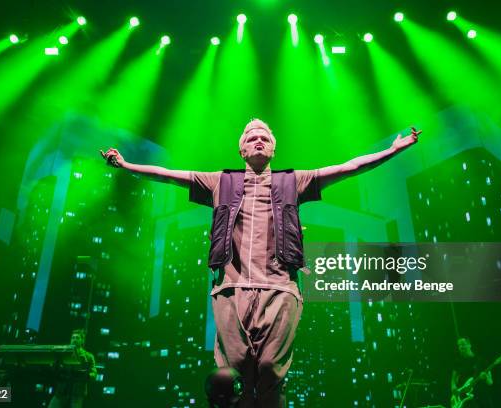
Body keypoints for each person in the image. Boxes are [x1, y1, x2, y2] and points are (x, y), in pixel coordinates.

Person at [101, 119, 420, 407]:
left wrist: (391, 150)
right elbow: (170, 176)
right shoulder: (220, 182)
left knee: (269, 370)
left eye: (264, 137)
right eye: (251, 137)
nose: (258, 140)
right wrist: (127, 165)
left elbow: (348, 168)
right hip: (231, 287)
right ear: (241, 149)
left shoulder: (294, 181)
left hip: (279, 287)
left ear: (273, 148)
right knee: (233, 372)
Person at [48, 329, 97, 408]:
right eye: (73, 338)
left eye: (77, 338)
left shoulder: (88, 356)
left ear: (82, 340)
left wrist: (86, 375)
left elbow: (94, 373)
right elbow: (56, 368)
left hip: (77, 392)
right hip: (62, 390)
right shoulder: (63, 352)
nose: (74, 340)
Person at [450, 338, 494, 408]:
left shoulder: (480, 360)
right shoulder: (457, 362)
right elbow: (453, 379)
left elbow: (490, 382)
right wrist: (453, 386)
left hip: (481, 395)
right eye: (459, 345)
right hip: (466, 397)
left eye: (463, 344)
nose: (461, 346)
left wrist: (486, 377)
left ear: (469, 345)